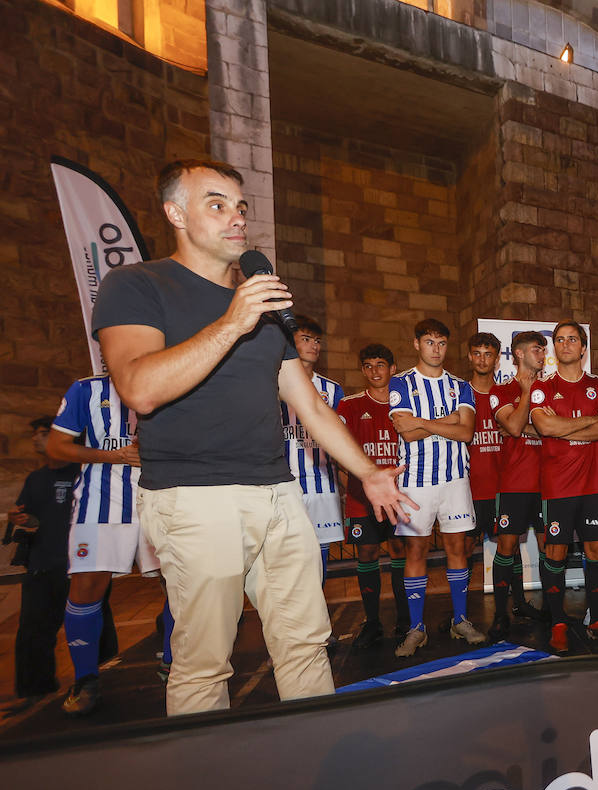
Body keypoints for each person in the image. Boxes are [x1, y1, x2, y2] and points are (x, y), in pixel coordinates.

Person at [93, 158, 411, 715]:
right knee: (204, 661)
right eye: (216, 204)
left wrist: (367, 472)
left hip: (278, 495)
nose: (237, 218)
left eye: (240, 207)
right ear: (176, 214)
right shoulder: (138, 284)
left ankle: (315, 770)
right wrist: (231, 323)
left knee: (307, 644)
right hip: (193, 498)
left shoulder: (262, 306)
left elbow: (309, 403)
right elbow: (139, 387)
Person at [46, 374, 162, 715]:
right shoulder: (86, 389)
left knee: (180, 584)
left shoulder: (172, 380)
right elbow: (55, 448)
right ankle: (86, 678)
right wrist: (114, 456)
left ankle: (173, 664)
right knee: (86, 587)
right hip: (101, 501)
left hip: (161, 496)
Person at [389, 318, 480, 656]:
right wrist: (449, 422)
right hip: (416, 482)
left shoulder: (461, 386)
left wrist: (422, 422)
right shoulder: (400, 384)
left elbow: (467, 432)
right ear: (417, 344)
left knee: (458, 549)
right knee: (417, 551)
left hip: (455, 478)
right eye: (429, 342)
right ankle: (416, 628)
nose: (436, 349)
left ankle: (460, 619)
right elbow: (406, 433)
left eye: (441, 343)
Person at [530, 321, 598, 651]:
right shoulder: (542, 388)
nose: (565, 344)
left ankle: (596, 619)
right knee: (554, 554)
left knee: (597, 553)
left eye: (572, 339)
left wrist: (562, 428)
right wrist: (588, 421)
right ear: (554, 348)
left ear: (584, 347)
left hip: (594, 485)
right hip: (557, 488)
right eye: (559, 340)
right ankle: (557, 623)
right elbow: (543, 426)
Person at [336, 344, 409, 647]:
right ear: (362, 370)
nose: (375, 371)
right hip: (362, 496)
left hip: (399, 494)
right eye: (368, 365)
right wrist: (349, 483)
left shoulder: (407, 405)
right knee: (366, 554)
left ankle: (406, 618)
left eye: (381, 364)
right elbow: (337, 449)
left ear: (393, 368)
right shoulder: (349, 405)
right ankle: (373, 622)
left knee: (400, 552)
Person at [7, 418, 79, 707]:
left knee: (88, 627)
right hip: (41, 563)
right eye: (34, 434)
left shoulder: (81, 473)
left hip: (78, 565)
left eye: (42, 433)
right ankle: (34, 692)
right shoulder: (35, 479)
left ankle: (98, 679)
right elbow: (34, 518)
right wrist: (22, 519)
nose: (35, 439)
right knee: (33, 631)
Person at [279, 315, 344, 581]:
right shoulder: (271, 384)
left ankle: (317, 619)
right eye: (306, 339)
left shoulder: (332, 389)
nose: (314, 345)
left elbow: (340, 439)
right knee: (286, 557)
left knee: (320, 556)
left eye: (317, 340)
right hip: (284, 486)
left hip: (323, 485)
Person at [491, 331, 547, 638]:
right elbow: (513, 427)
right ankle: (501, 614)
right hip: (513, 483)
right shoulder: (501, 391)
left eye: (543, 350)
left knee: (548, 547)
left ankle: (551, 609)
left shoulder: (551, 389)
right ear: (519, 354)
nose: (542, 355)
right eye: (537, 349)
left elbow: (553, 431)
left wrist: (529, 425)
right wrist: (526, 395)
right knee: (507, 546)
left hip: (549, 483)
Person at [464, 332, 505, 638]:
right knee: (463, 551)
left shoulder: (505, 394)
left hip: (504, 487)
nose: (482, 359)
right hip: (469, 489)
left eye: (487, 354)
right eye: (476, 353)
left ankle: (509, 610)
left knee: (509, 547)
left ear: (497, 358)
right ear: (469, 357)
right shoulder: (459, 393)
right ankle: (460, 613)